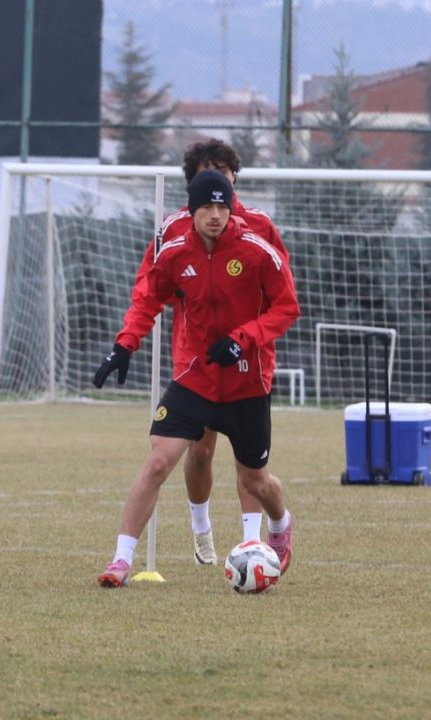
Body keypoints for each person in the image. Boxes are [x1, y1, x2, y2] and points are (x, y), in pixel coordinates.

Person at [92, 170, 298, 588]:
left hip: (246, 384)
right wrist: (124, 345)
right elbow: (147, 300)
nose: (216, 214)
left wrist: (243, 340)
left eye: (223, 206)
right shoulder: (173, 253)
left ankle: (280, 523)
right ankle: (120, 561)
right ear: (192, 210)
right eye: (207, 206)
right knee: (158, 461)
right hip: (195, 378)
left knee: (255, 480)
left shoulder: (257, 250)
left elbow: (286, 307)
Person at [128, 138, 290, 565]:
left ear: (234, 178)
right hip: (193, 356)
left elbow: (281, 294)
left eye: (223, 172)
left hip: (248, 356)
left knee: (248, 465)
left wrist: (247, 337)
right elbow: (150, 287)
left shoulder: (259, 227)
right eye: (206, 174)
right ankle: (202, 531)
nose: (216, 182)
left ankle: (251, 544)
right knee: (199, 450)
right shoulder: (173, 229)